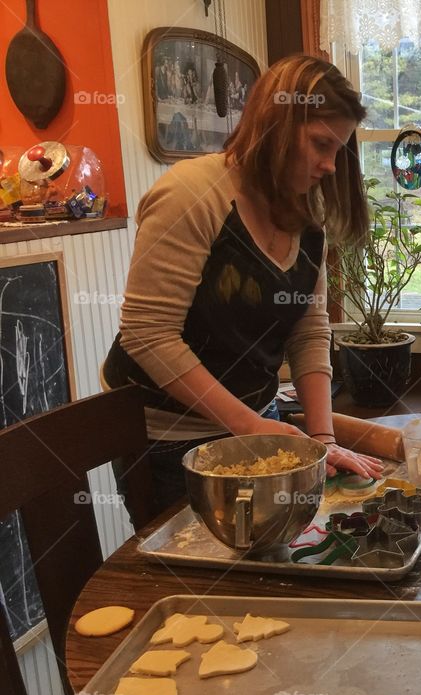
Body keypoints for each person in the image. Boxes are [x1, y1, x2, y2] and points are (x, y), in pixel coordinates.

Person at [102, 55, 383, 517]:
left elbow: (309, 333)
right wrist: (252, 429)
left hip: (256, 422)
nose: (331, 166)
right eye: (320, 144)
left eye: (339, 150)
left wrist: (322, 440)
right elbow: (147, 333)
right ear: (275, 124)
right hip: (167, 439)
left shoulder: (307, 213)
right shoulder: (192, 193)